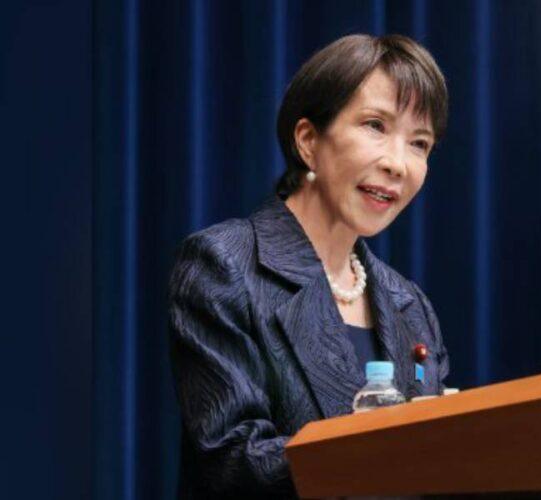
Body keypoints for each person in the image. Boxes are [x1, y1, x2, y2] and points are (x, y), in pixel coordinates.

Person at [168, 34, 450, 499]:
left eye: (419, 143)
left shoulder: (410, 306)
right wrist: (379, 452)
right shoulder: (225, 265)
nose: (398, 164)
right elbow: (231, 460)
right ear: (308, 141)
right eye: (375, 125)